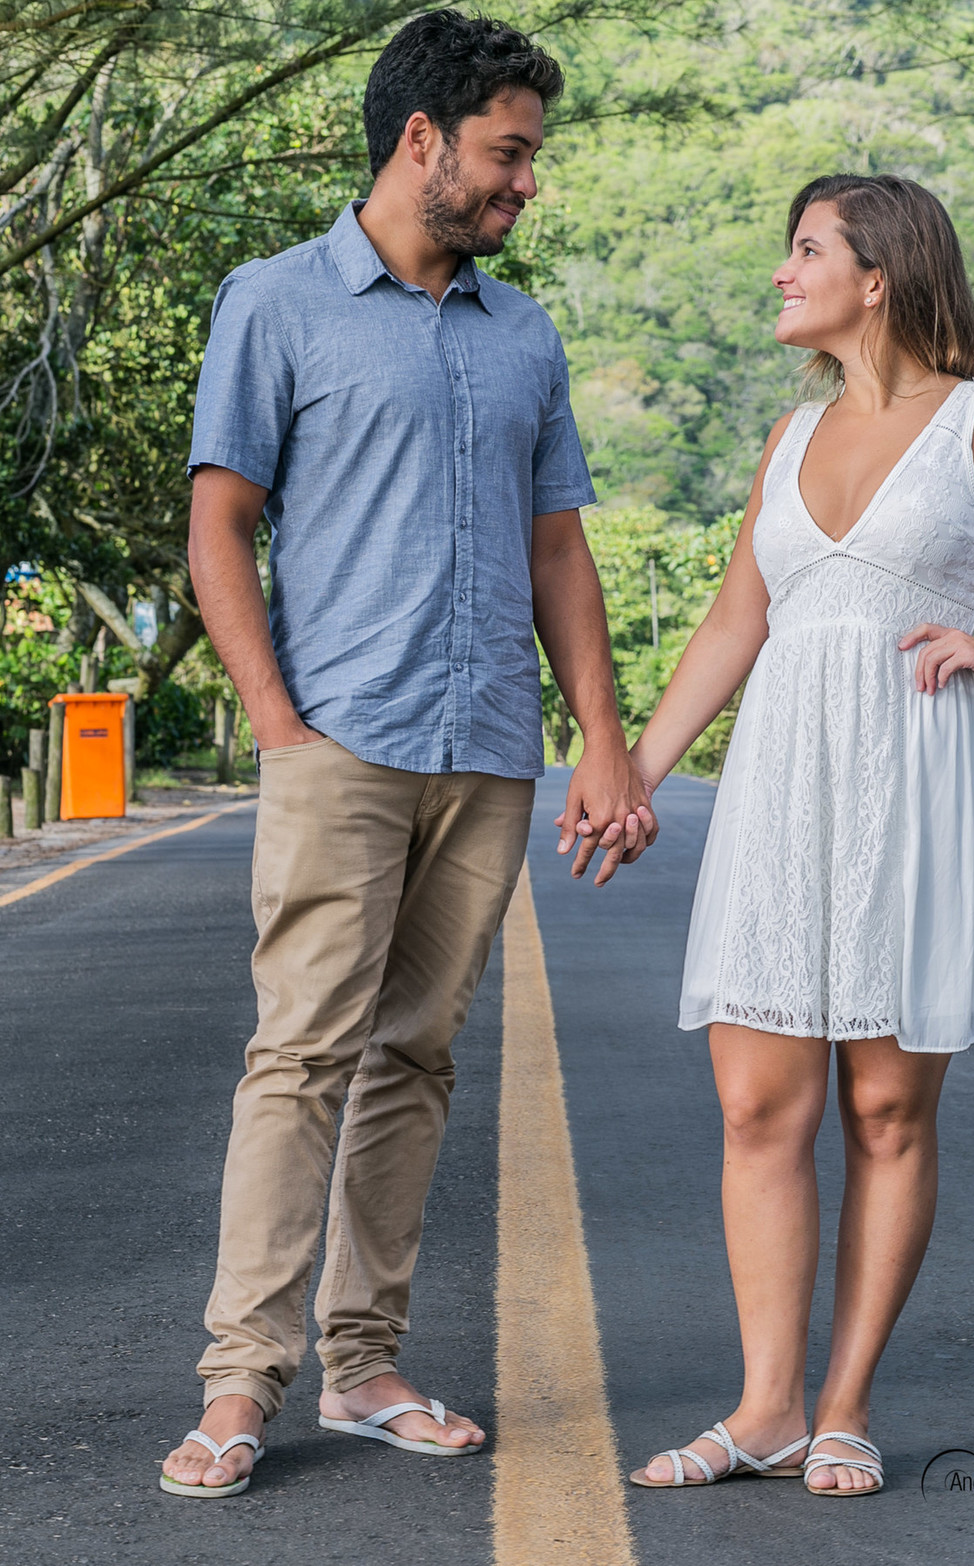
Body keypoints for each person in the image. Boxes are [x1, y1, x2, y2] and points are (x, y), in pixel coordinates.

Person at [574, 172, 974, 1494]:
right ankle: (766, 1403)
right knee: (754, 1102)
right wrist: (639, 775)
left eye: (805, 251)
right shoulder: (786, 440)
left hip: (920, 779)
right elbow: (737, 624)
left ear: (878, 274)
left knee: (886, 1105)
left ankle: (843, 1403)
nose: (782, 274)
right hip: (784, 784)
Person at [161, 8, 652, 1499]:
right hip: (342, 737)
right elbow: (220, 521)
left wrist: (601, 739)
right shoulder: (278, 300)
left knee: (415, 1059)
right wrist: (272, 717)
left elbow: (556, 546)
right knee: (299, 1054)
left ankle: (365, 1360)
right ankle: (241, 1379)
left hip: (488, 744)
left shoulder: (525, 333)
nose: (523, 183)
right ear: (421, 140)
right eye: (507, 153)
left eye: (530, 157)